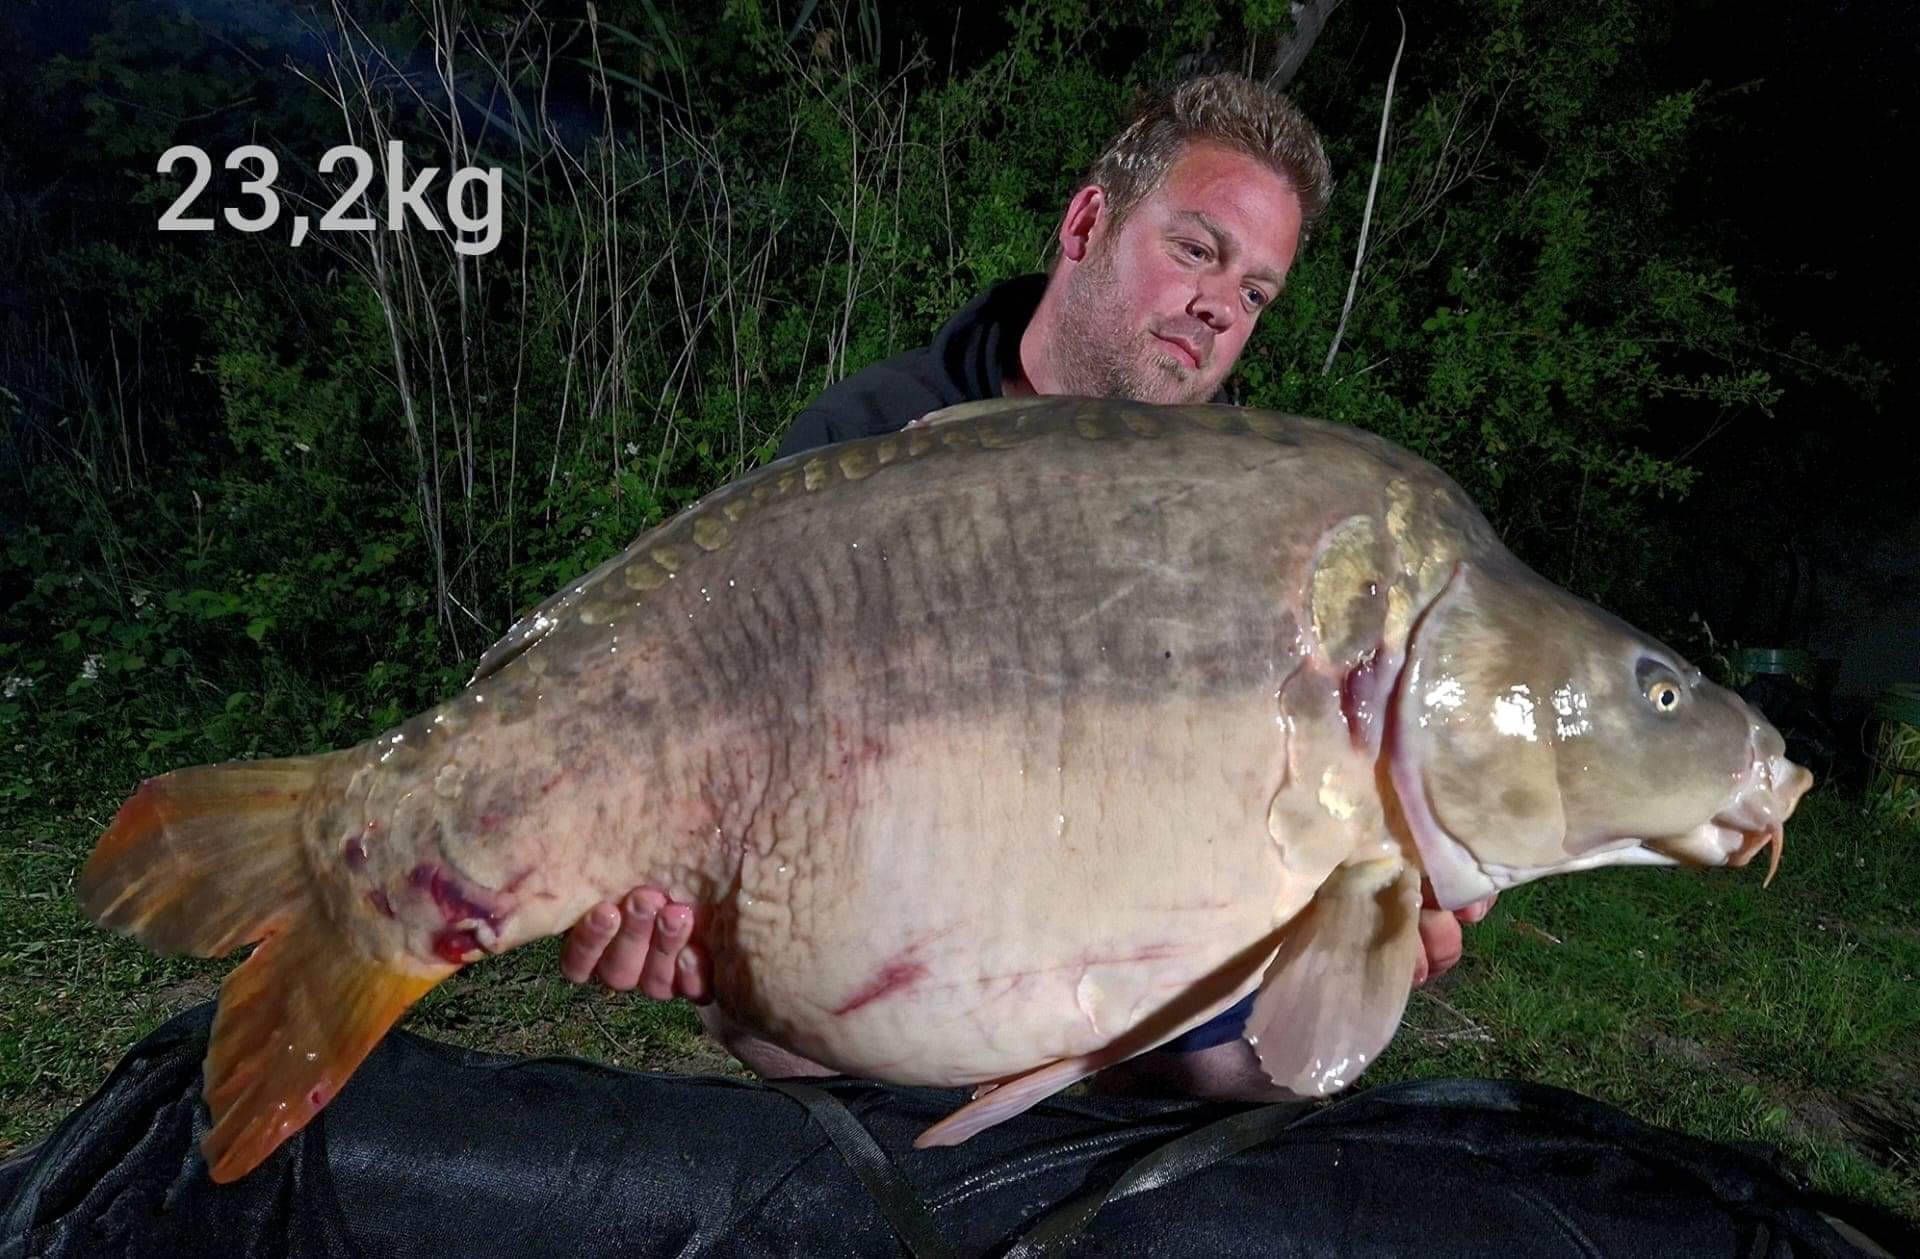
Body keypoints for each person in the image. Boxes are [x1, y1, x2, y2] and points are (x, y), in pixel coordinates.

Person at [559, 73, 1496, 1100]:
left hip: (1124, 952)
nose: (1220, 308)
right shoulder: (871, 438)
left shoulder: (1245, 513)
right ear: (1089, 220)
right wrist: (672, 909)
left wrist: (1359, 924)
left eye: (1256, 292)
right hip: (876, 943)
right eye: (1198, 250)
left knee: (1271, 1075)